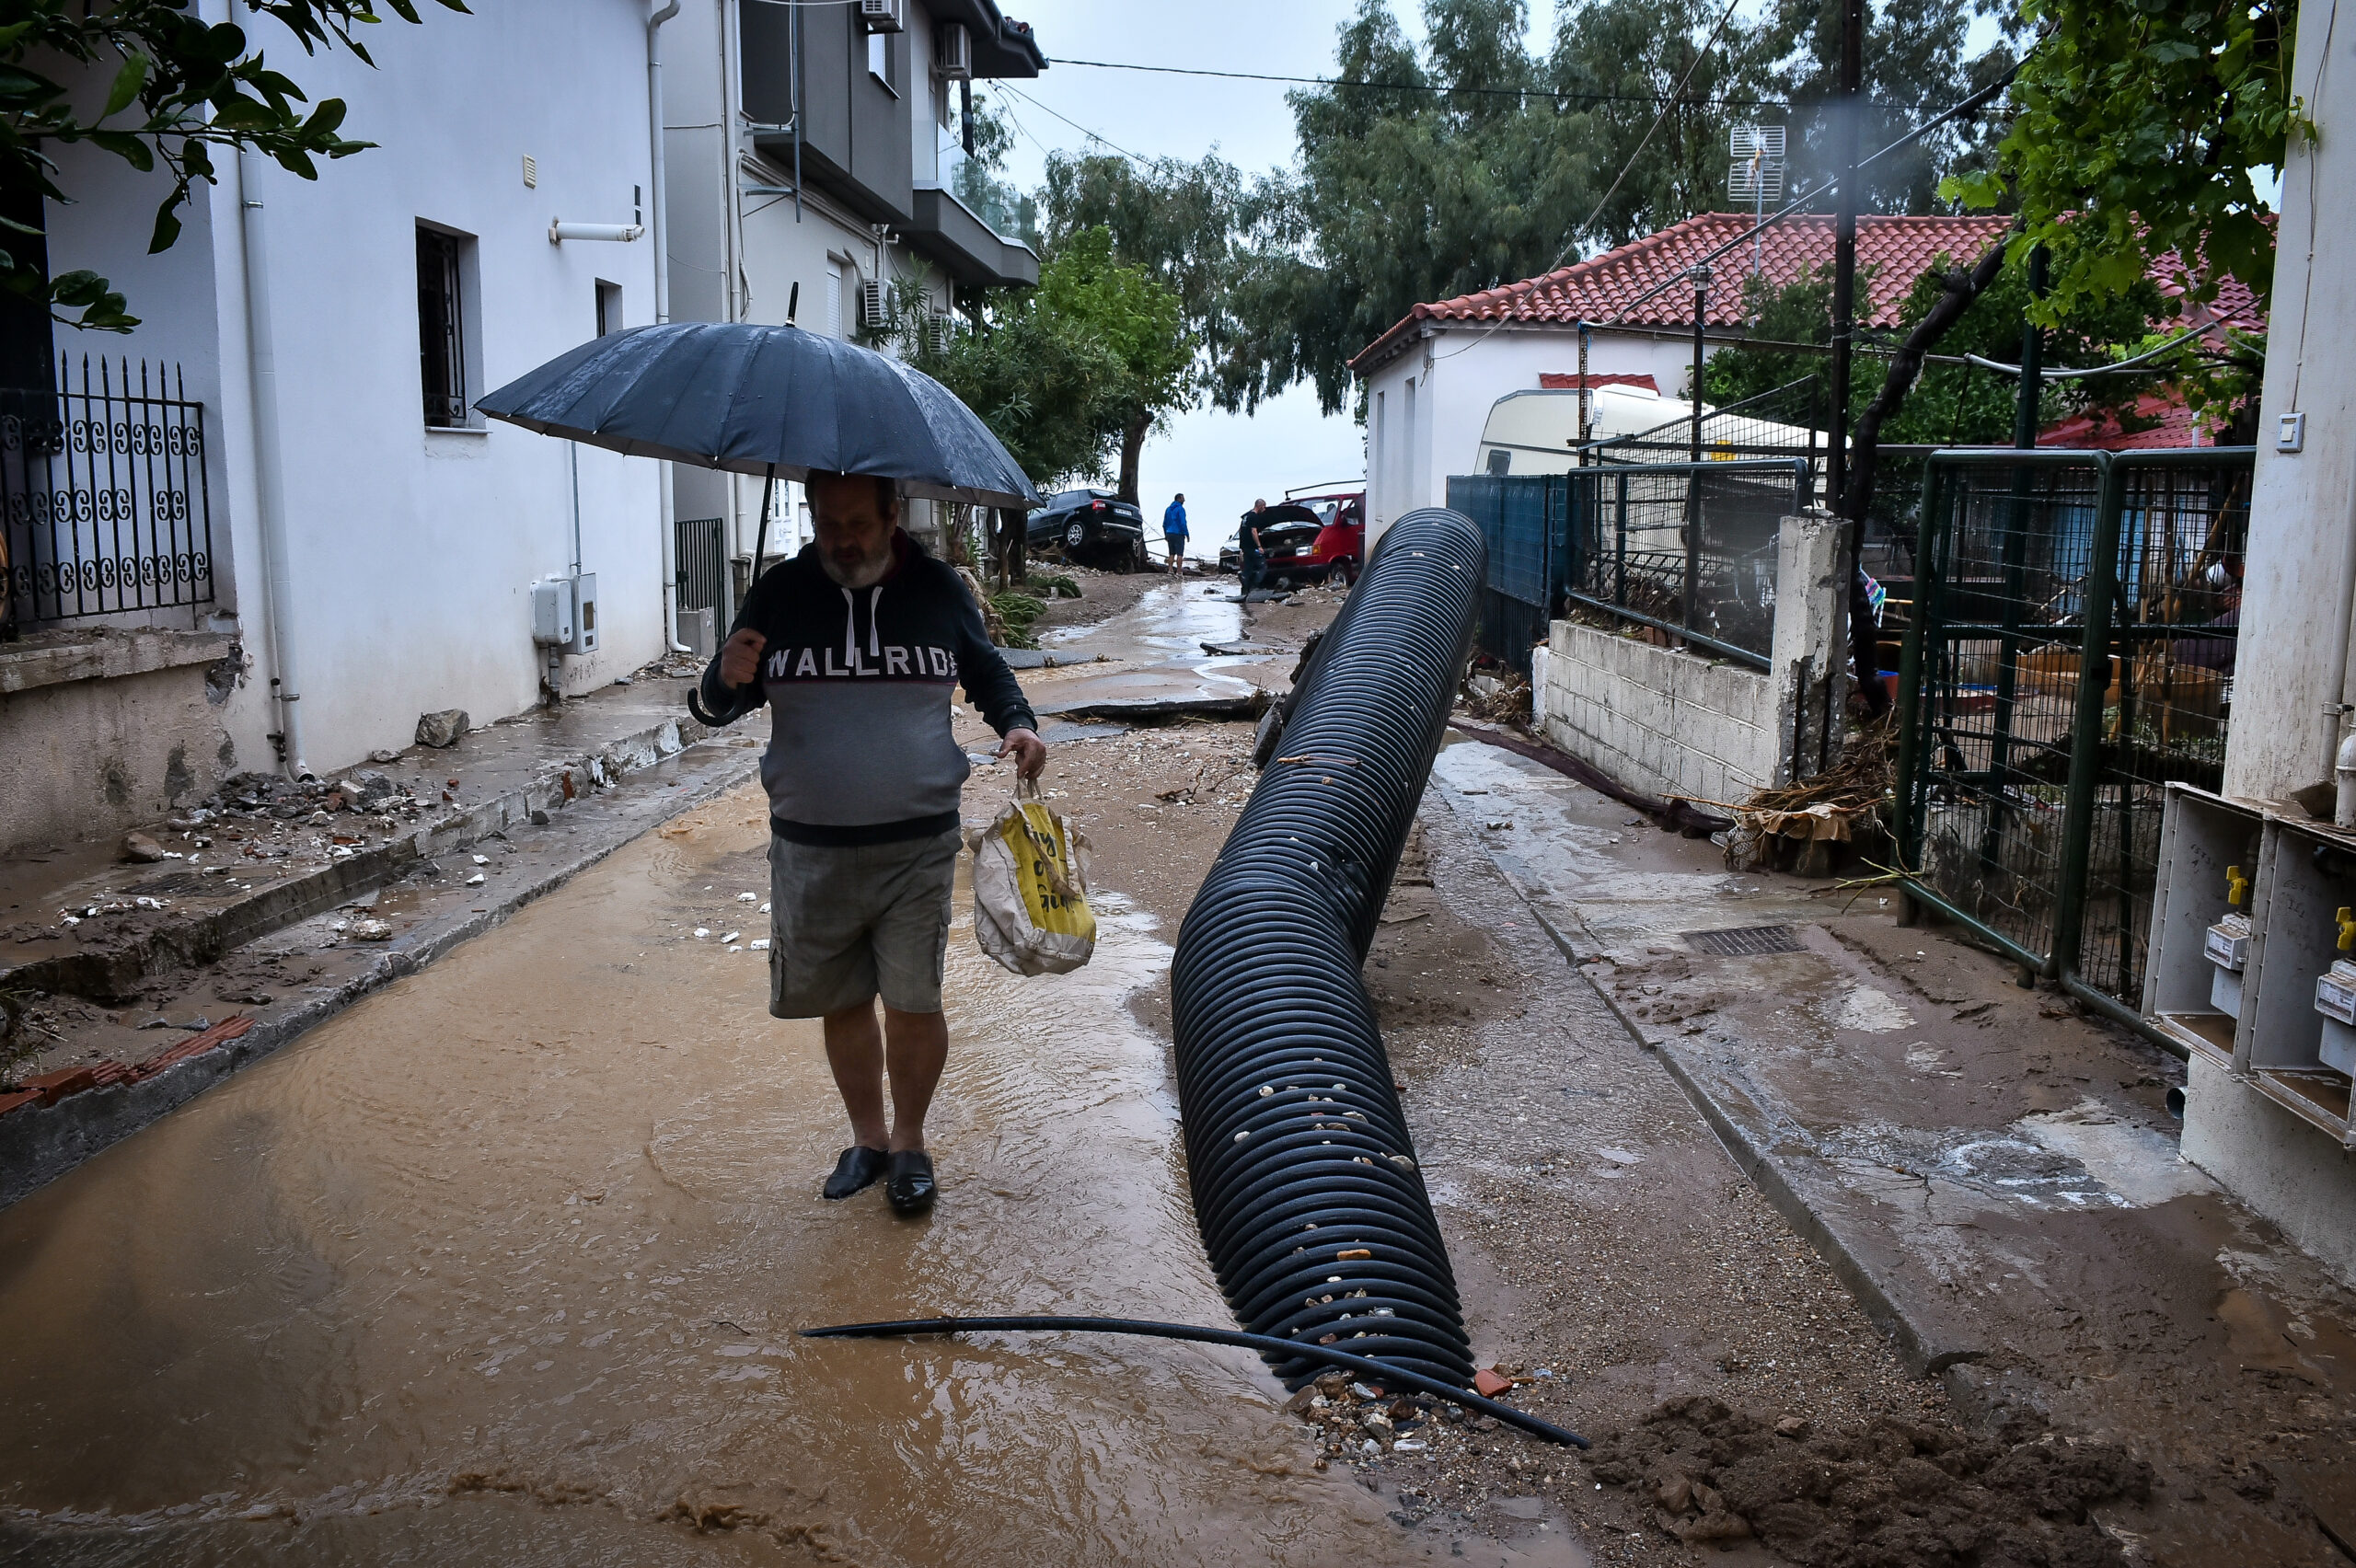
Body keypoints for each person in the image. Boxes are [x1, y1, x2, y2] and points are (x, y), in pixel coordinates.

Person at [705, 470, 1046, 1217]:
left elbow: (984, 668)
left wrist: (1016, 722)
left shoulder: (938, 590)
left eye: (858, 522)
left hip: (916, 845)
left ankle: (911, 1142)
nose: (842, 539)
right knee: (844, 1000)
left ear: (894, 516)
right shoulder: (780, 591)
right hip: (809, 846)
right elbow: (720, 701)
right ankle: (866, 1139)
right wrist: (723, 678)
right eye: (828, 523)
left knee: (914, 1001)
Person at [1238, 498, 1269, 599]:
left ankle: (1245, 590)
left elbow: (1240, 531)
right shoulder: (1254, 516)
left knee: (1248, 568)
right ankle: (1255, 587)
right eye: (1264, 507)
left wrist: (1242, 546)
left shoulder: (1246, 516)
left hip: (1245, 547)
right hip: (1252, 547)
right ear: (1259, 506)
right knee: (1262, 566)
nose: (1264, 510)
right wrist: (1259, 546)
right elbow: (1253, 531)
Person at [1161, 492, 1189, 577]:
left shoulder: (1168, 509)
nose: (1184, 500)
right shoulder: (1181, 509)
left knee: (1171, 553)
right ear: (1179, 499)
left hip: (1169, 533)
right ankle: (1179, 572)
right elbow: (1183, 523)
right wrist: (1187, 534)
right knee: (1180, 554)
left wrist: (1166, 534)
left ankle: (1170, 570)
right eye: (1183, 498)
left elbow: (1164, 524)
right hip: (1178, 534)